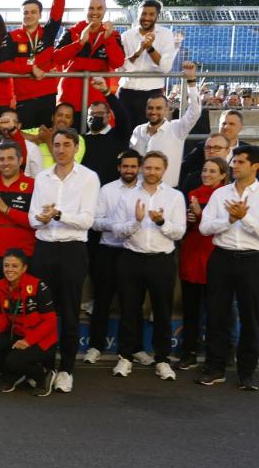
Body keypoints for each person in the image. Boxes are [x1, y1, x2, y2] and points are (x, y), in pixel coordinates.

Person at [28, 128, 100, 393]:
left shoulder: (89, 178)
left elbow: (87, 220)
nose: (60, 149)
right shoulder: (42, 178)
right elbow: (31, 218)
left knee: (70, 313)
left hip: (72, 250)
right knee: (42, 313)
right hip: (44, 248)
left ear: (75, 148)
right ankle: (46, 366)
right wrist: (42, 219)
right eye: (56, 145)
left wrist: (58, 215)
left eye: (66, 145)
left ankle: (67, 369)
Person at [110, 151, 186, 381]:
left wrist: (161, 222)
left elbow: (180, 231)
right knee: (129, 310)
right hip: (132, 258)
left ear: (165, 170)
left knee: (162, 312)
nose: (152, 172)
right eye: (148, 167)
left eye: (157, 168)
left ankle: (162, 359)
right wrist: (136, 221)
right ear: (142, 168)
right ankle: (125, 357)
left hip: (161, 260)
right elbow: (116, 229)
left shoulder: (174, 197)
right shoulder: (127, 196)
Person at [198, 145, 259, 390]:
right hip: (221, 258)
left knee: (251, 318)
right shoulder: (220, 194)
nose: (234, 165)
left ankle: (247, 373)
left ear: (255, 166)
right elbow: (205, 228)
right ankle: (215, 368)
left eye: (241, 162)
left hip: (253, 259)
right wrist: (230, 220)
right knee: (217, 315)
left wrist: (245, 217)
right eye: (233, 161)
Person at [84, 150, 142, 365]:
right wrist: (118, 227)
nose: (129, 170)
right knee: (102, 301)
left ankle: (133, 348)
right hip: (107, 250)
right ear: (119, 168)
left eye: (133, 166)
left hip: (133, 251)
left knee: (132, 303)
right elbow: (95, 222)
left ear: (139, 168)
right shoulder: (106, 190)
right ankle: (95, 346)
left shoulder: (145, 191)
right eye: (125, 166)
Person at [0, 249, 58, 396]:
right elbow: (1, 315)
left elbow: (51, 321)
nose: (9, 269)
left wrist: (28, 340)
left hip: (42, 339)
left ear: (24, 268)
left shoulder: (37, 286)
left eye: (14, 266)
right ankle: (17, 373)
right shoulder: (0, 286)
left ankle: (44, 376)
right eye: (6, 265)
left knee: (13, 361)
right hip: (17, 335)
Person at [179, 157, 229, 371]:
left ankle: (217, 356)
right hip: (192, 255)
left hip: (214, 257)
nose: (206, 174)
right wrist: (189, 221)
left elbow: (221, 226)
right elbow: (189, 228)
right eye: (204, 170)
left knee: (216, 312)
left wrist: (200, 217)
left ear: (223, 175)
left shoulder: (226, 197)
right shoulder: (193, 194)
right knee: (190, 310)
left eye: (212, 171)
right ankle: (188, 352)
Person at [129, 62, 201, 188]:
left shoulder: (177, 129)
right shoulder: (138, 131)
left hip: (169, 193)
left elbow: (195, 111)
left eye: (158, 108)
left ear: (167, 109)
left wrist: (191, 82)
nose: (154, 112)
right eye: (150, 108)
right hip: (140, 191)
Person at [11, 0, 65, 129]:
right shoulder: (13, 37)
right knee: (27, 142)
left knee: (46, 139)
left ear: (40, 15)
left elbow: (58, 8)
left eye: (33, 12)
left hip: (47, 96)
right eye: (25, 12)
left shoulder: (48, 32)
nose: (29, 15)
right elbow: (10, 65)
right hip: (24, 99)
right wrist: (31, 67)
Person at [53, 0, 125, 114]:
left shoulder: (113, 34)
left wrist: (108, 39)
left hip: (97, 97)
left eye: (99, 8)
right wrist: (80, 43)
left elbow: (118, 63)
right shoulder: (71, 31)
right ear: (85, 10)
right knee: (68, 132)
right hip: (70, 96)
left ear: (105, 10)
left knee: (96, 131)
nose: (95, 12)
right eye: (91, 8)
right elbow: (57, 59)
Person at [119, 0, 178, 126]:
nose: (146, 17)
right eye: (143, 14)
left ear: (157, 16)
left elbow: (166, 67)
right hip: (127, 91)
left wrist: (150, 49)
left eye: (151, 14)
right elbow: (121, 68)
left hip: (153, 93)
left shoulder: (166, 35)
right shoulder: (126, 36)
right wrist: (138, 51)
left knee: (151, 133)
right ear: (138, 14)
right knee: (124, 133)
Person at [0, 142, 36, 269]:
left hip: (22, 257)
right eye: (1, 159)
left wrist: (6, 210)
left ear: (20, 160)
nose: (5, 163)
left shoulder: (33, 185)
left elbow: (36, 222)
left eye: (10, 158)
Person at [81, 77, 134, 185]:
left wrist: (106, 92)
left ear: (109, 116)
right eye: (92, 114)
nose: (95, 117)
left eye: (99, 114)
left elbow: (122, 115)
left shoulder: (119, 135)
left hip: (112, 194)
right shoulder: (81, 140)